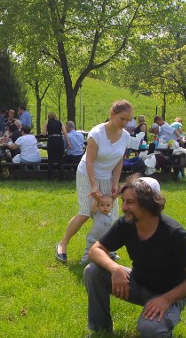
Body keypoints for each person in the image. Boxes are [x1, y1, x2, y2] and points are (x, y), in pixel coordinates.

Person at [84, 174, 186, 338]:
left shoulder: (175, 234)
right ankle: (101, 330)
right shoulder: (126, 224)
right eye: (124, 201)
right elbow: (95, 250)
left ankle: (164, 324)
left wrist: (166, 299)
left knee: (151, 332)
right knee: (93, 271)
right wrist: (115, 269)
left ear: (148, 203)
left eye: (130, 202)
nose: (124, 207)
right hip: (138, 283)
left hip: (168, 294)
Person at [56, 99, 133, 264]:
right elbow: (89, 161)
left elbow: (119, 161)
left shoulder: (126, 136)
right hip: (87, 174)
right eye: (122, 119)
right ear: (112, 115)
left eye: (128, 119)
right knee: (86, 213)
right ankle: (62, 245)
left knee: (110, 215)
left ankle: (106, 250)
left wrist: (114, 184)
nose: (125, 123)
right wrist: (93, 186)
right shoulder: (97, 133)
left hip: (107, 176)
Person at [81, 195, 116, 264]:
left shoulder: (111, 215)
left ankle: (112, 255)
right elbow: (93, 208)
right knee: (89, 248)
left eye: (108, 205)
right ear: (98, 206)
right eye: (102, 205)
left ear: (112, 207)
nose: (105, 207)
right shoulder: (97, 213)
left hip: (107, 238)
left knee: (110, 246)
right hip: (94, 238)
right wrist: (96, 199)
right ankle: (86, 259)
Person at [43, 111, 67, 180]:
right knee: (60, 159)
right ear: (55, 116)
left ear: (49, 117)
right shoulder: (60, 122)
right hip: (59, 141)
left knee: (50, 159)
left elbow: (44, 133)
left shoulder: (47, 122)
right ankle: (61, 177)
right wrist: (68, 142)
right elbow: (65, 132)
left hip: (51, 141)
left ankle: (50, 177)